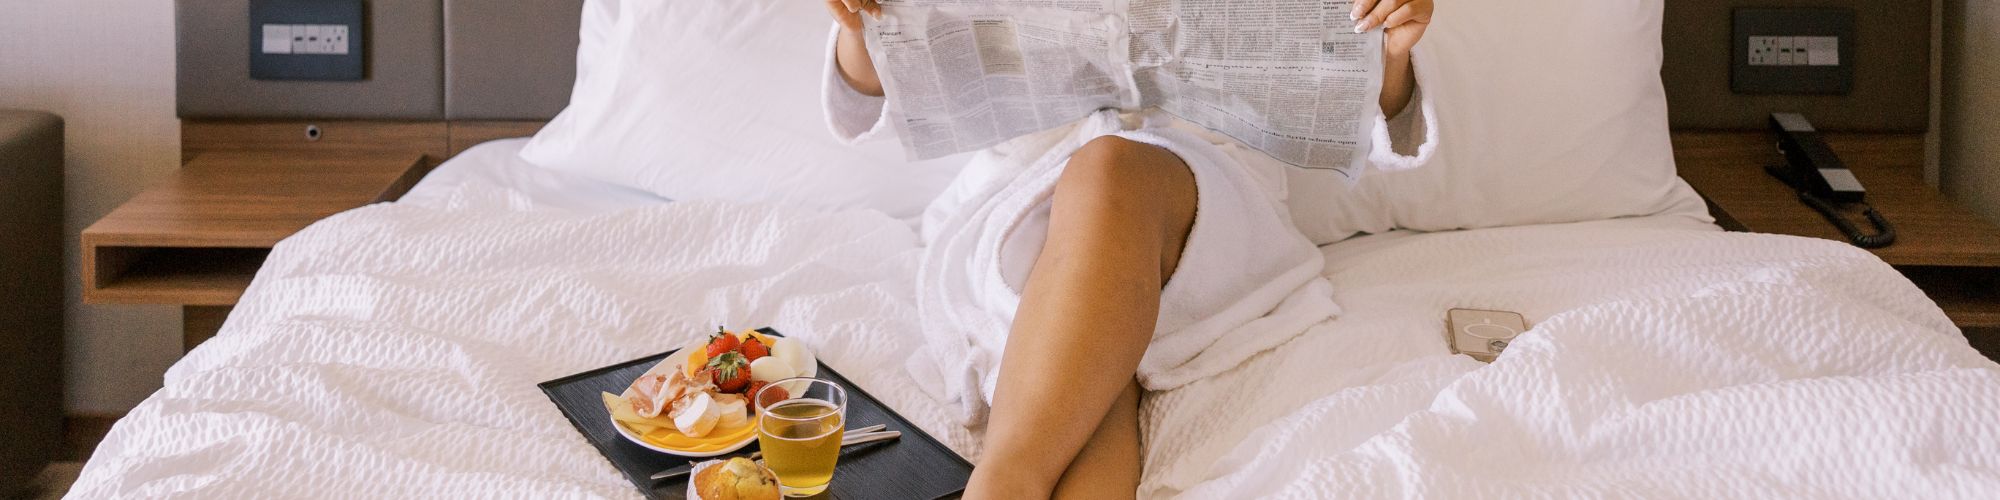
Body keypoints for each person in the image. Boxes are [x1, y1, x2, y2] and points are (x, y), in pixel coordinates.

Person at [821, 1, 1434, 498]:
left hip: (1207, 202)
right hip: (1021, 196)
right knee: (1091, 371)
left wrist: (1392, 54)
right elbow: (865, 102)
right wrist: (857, 28)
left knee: (1109, 171)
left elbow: (1378, 130)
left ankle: (1000, 483)